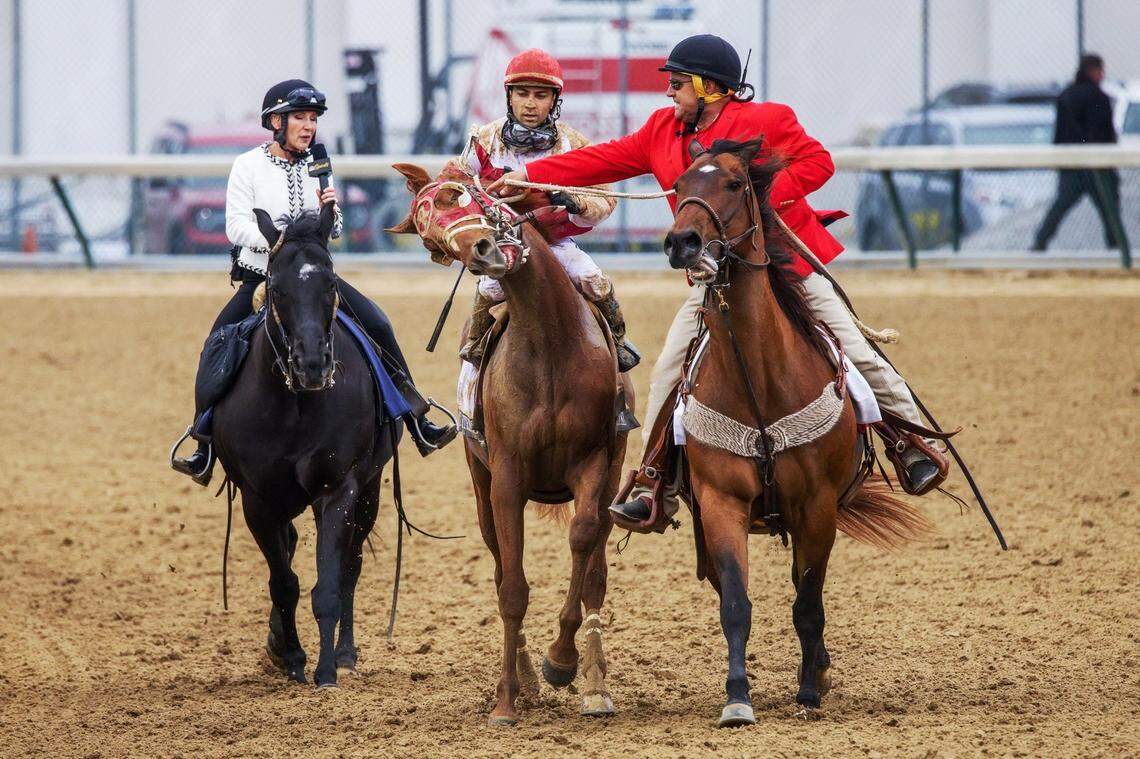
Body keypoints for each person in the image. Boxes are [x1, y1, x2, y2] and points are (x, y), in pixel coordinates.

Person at [488, 34, 947, 523]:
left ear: (712, 88)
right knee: (667, 370)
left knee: (855, 350)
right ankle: (652, 479)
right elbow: (599, 161)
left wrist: (760, 201)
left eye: (679, 83)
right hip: (714, 279)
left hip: (787, 264)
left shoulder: (768, 120)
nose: (670, 92)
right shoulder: (661, 130)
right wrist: (528, 179)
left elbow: (819, 162)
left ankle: (911, 442)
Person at [171, 79, 455, 485]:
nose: (308, 126)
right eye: (300, 118)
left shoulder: (318, 163)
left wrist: (330, 210)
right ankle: (203, 441)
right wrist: (275, 242)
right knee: (218, 341)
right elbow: (236, 225)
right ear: (275, 122)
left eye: (312, 119)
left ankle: (415, 415)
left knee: (377, 322)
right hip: (262, 279)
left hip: (316, 278)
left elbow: (333, 229)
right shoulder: (246, 166)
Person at [448, 49, 639, 372]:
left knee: (591, 276)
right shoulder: (482, 140)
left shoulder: (574, 144)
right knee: (489, 286)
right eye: (522, 94)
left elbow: (605, 199)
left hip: (556, 247)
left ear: (555, 100)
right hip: (504, 245)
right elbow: (456, 183)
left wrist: (576, 203)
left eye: (540, 95)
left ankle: (618, 341)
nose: (530, 104)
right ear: (509, 96)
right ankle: (477, 346)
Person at [1033, 54, 1122, 251]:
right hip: (1097, 165)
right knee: (1109, 209)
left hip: (1071, 163)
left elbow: (1060, 133)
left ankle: (1039, 242)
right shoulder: (1099, 97)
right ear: (1093, 71)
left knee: (1060, 207)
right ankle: (1116, 247)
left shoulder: (1066, 95)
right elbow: (1105, 133)